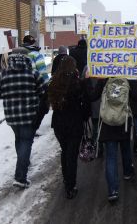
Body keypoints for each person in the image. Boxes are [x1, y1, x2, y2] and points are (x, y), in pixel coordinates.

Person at [0, 47, 47, 188]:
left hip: (12, 116)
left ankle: (23, 162)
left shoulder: (3, 75)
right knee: (26, 143)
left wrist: (8, 94)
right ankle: (20, 177)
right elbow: (43, 91)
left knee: (19, 139)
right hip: (29, 116)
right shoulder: (33, 73)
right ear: (27, 59)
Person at [48, 56, 89, 199]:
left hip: (59, 125)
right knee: (72, 155)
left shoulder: (53, 83)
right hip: (75, 124)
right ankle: (70, 186)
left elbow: (44, 103)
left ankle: (67, 180)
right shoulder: (77, 84)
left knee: (65, 152)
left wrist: (36, 122)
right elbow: (88, 101)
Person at [22, 35, 50, 132]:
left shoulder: (17, 54)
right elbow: (42, 71)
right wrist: (46, 84)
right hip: (34, 85)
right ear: (33, 43)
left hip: (21, 84)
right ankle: (33, 127)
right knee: (39, 106)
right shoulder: (36, 54)